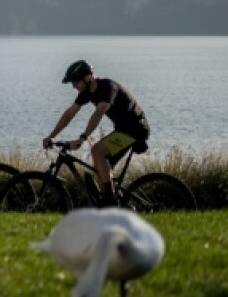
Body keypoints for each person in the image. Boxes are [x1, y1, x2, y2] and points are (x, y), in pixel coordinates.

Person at [44, 59, 151, 207]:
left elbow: (99, 113)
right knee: (101, 168)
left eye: (75, 82)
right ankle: (117, 200)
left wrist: (83, 138)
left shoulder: (108, 87)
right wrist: (51, 135)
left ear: (88, 77)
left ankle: (110, 201)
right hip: (123, 129)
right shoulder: (86, 92)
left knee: (97, 151)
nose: (73, 86)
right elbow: (70, 113)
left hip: (136, 128)